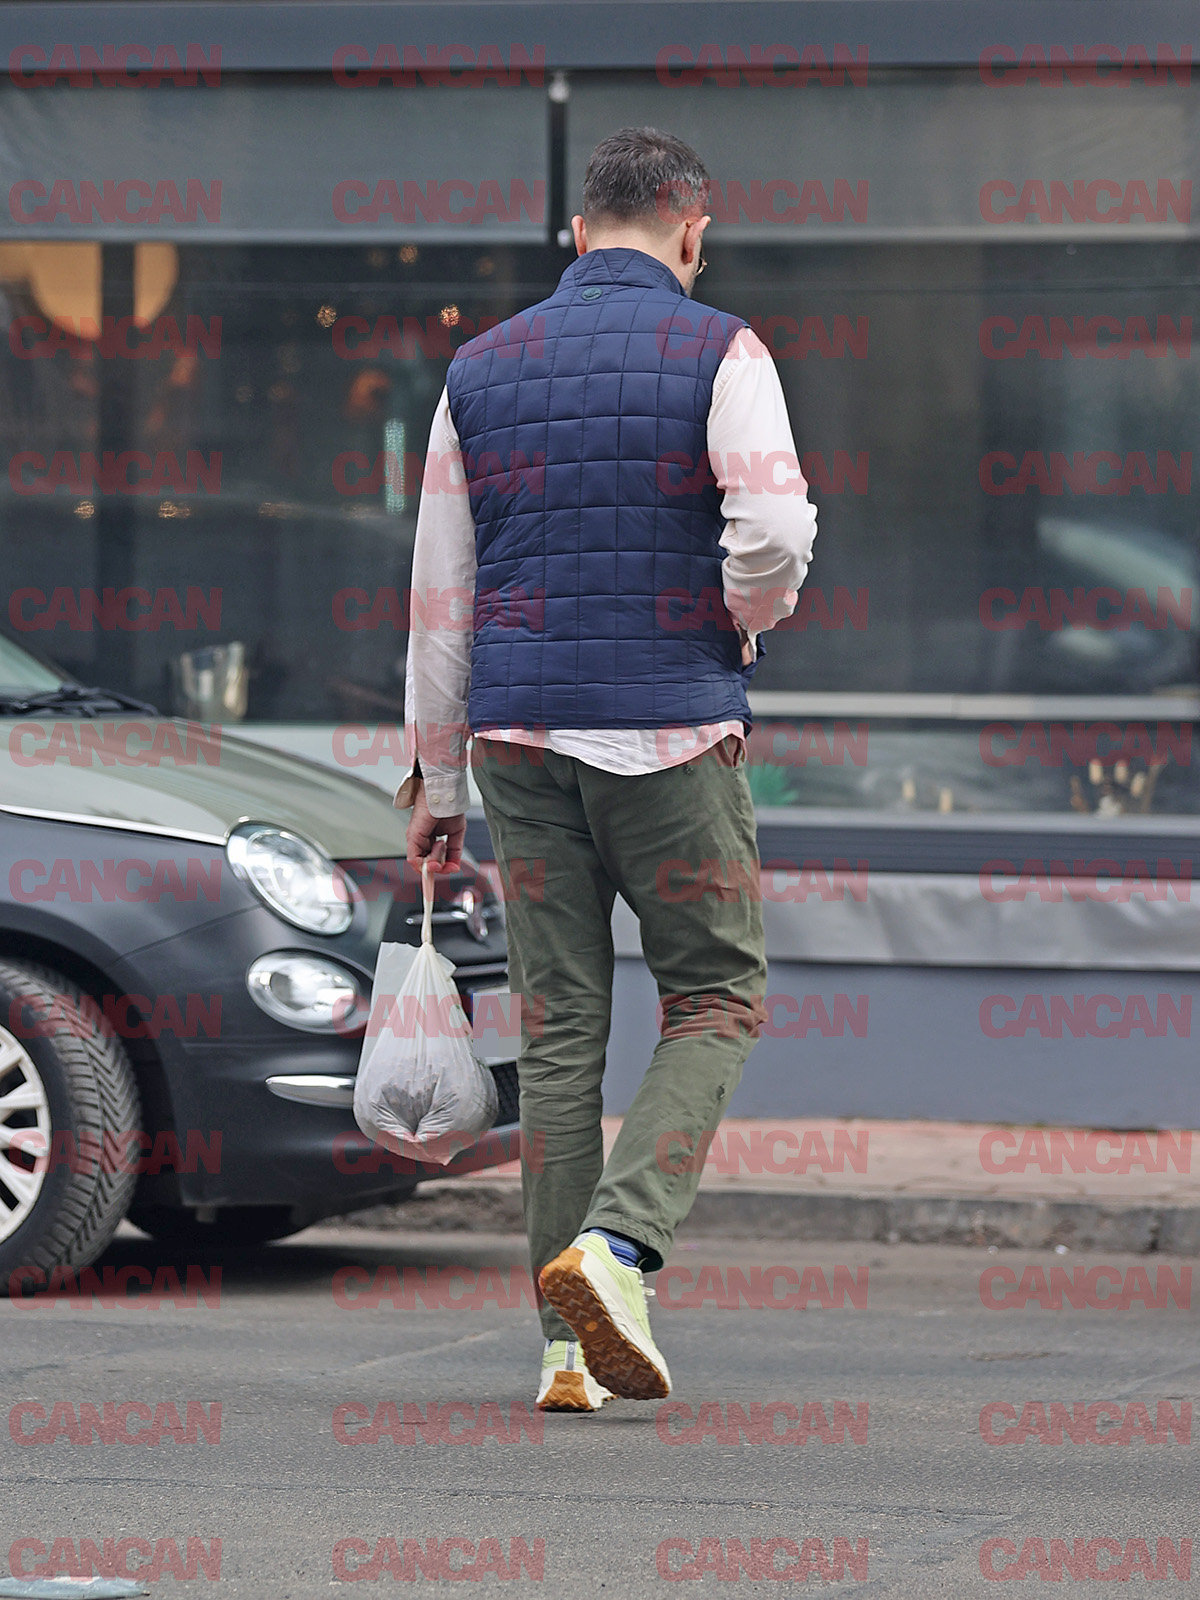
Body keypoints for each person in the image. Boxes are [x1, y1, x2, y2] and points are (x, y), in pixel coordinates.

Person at [396, 126, 817, 1410]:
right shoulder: (725, 349)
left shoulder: (476, 368)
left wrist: (434, 784)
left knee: (561, 1032)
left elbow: (440, 599)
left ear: (578, 234)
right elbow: (773, 527)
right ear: (695, 230)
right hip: (670, 734)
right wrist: (742, 622)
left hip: (517, 741)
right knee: (716, 997)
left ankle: (566, 1352)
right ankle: (619, 1250)